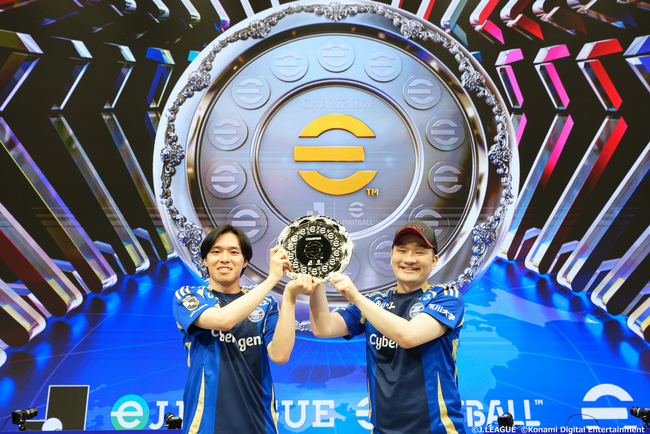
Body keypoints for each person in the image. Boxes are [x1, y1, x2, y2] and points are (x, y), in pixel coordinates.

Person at [309, 219, 466, 434]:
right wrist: (318, 279)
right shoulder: (375, 302)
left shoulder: (447, 296)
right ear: (392, 255)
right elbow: (323, 328)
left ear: (434, 260)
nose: (409, 259)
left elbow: (408, 336)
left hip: (437, 429)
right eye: (402, 250)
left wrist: (356, 298)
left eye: (420, 252)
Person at [172, 225, 318, 434]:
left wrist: (289, 296)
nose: (224, 258)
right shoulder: (189, 296)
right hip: (206, 425)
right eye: (216, 252)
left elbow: (280, 355)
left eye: (234, 252)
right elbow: (223, 320)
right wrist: (272, 280)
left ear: (245, 261)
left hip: (259, 424)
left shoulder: (266, 304)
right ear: (205, 260)